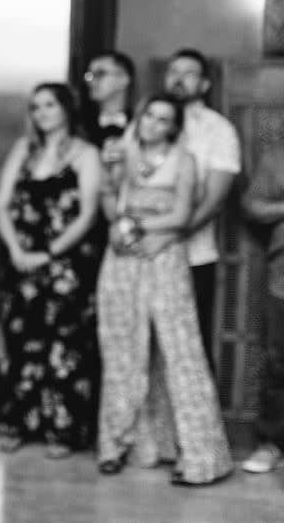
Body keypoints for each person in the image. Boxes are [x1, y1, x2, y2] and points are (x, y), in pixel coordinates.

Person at [95, 93, 233, 486]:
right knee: (122, 347)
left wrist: (139, 228)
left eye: (163, 119)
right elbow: (111, 206)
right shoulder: (123, 153)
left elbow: (182, 214)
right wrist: (117, 215)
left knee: (179, 349)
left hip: (165, 255)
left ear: (174, 126)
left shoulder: (184, 159)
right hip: (122, 257)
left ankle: (200, 455)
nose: (154, 124)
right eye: (149, 116)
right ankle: (118, 443)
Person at [0, 83, 103, 458]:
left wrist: (48, 253)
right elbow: (1, 205)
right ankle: (17, 424)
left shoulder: (86, 154)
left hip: (66, 266)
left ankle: (63, 431)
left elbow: (88, 214)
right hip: (20, 263)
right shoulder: (23, 150)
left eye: (49, 105)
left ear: (67, 109)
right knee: (21, 343)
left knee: (65, 347)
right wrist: (14, 248)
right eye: (35, 106)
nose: (41, 113)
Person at [164, 47, 241, 369]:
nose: (179, 79)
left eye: (189, 73)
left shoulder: (217, 129)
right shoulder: (148, 122)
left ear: (206, 84)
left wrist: (171, 235)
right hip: (140, 255)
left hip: (192, 255)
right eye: (173, 72)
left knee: (188, 349)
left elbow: (214, 199)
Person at [240, 144, 284, 474]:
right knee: (277, 362)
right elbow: (253, 205)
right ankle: (271, 443)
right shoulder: (277, 157)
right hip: (283, 277)